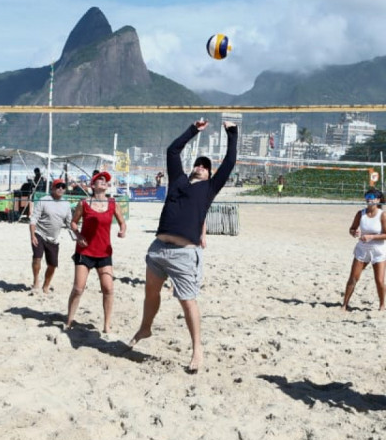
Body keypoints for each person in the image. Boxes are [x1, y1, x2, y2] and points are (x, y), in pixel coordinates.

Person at [129, 118, 238, 373]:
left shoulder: (210, 187)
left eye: (205, 166)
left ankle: (197, 349)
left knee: (187, 301)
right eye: (198, 164)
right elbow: (172, 150)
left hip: (184, 253)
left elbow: (230, 162)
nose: (200, 167)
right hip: (158, 248)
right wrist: (193, 130)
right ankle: (146, 328)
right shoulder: (178, 180)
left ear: (209, 173)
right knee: (150, 294)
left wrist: (232, 133)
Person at [65, 171, 126, 333]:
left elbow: (122, 222)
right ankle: (69, 320)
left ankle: (106, 325)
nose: (103, 181)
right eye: (99, 180)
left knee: (108, 288)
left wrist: (122, 231)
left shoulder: (113, 203)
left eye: (105, 180)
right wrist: (78, 236)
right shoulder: (84, 203)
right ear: (92, 185)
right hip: (84, 251)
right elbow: (73, 223)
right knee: (78, 288)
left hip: (104, 253)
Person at [342, 189, 386, 311]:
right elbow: (352, 229)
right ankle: (344, 305)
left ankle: (382, 305)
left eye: (372, 196)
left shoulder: (382, 215)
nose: (369, 199)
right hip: (362, 249)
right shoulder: (361, 213)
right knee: (353, 278)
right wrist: (354, 232)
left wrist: (371, 236)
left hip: (378, 249)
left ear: (378, 200)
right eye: (367, 196)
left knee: (379, 280)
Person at [29, 178, 72, 294]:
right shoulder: (43, 201)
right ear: (52, 188)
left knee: (52, 265)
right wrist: (32, 235)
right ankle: (36, 282)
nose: (60, 189)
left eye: (63, 186)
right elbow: (33, 219)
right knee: (37, 257)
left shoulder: (66, 204)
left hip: (54, 238)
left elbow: (69, 223)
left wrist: (77, 236)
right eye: (58, 186)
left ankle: (46, 285)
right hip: (40, 233)